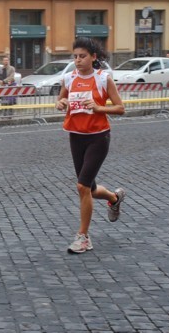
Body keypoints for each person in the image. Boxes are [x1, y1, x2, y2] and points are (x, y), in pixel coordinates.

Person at [55, 37, 126, 254]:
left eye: (82, 56)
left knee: (82, 187)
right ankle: (114, 198)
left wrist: (98, 108)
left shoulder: (104, 79)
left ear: (93, 57)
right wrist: (61, 103)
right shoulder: (68, 78)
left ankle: (83, 237)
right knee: (91, 189)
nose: (77, 60)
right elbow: (60, 101)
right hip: (75, 136)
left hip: (98, 137)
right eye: (75, 56)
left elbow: (120, 108)